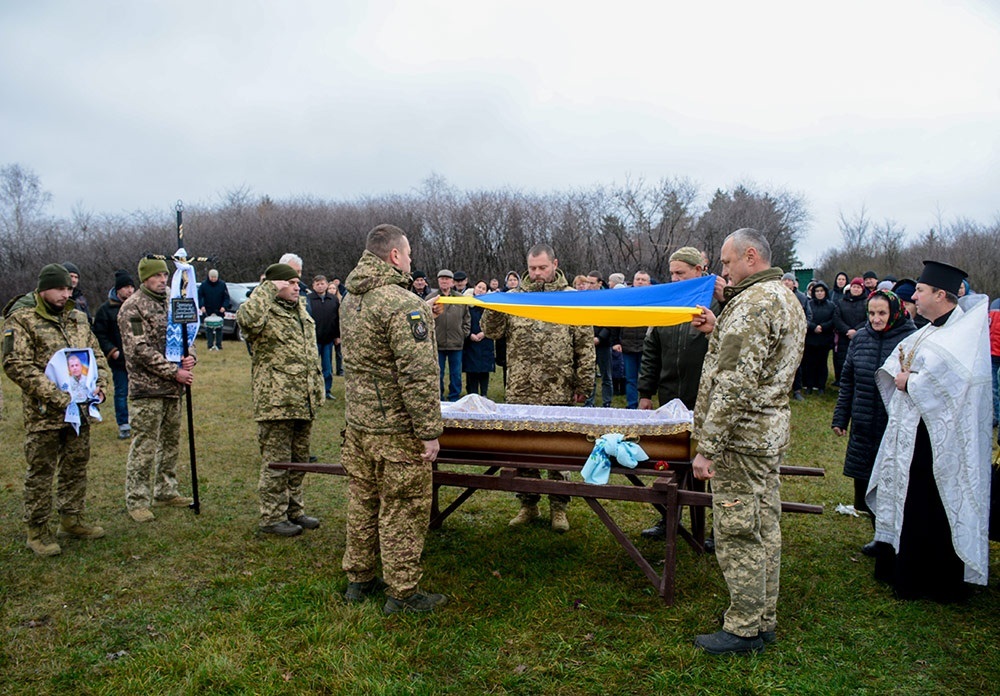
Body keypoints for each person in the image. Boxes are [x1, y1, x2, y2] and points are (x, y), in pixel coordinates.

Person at [691, 228, 806, 655]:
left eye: (726, 262)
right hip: (767, 433)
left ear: (750, 256)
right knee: (764, 526)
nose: (723, 271)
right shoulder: (782, 298)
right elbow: (763, 358)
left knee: (739, 531)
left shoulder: (753, 304)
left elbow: (735, 384)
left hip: (740, 439)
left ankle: (743, 628)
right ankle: (764, 618)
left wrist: (708, 447)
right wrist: (718, 330)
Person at [867, 261, 991, 602]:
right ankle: (899, 565)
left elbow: (959, 384)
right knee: (911, 500)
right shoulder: (929, 328)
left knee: (931, 505)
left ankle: (932, 581)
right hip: (914, 432)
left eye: (920, 291)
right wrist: (901, 376)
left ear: (941, 294)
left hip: (940, 441)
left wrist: (913, 381)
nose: (914, 298)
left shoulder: (965, 334)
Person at [340, 223, 447, 614]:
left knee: (363, 502)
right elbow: (417, 375)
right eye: (409, 253)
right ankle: (402, 592)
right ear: (395, 256)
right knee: (403, 507)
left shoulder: (351, 299)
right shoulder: (402, 304)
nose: (411, 260)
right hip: (397, 431)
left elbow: (375, 353)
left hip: (360, 425)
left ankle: (359, 578)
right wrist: (429, 432)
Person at [482, 243, 595, 532]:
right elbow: (492, 332)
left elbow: (584, 344)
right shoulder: (515, 298)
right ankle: (528, 504)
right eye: (532, 268)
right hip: (522, 388)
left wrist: (583, 382)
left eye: (542, 267)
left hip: (559, 387)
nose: (537, 273)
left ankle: (559, 507)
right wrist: (494, 305)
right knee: (524, 449)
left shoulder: (572, 298)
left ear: (554, 264)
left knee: (558, 450)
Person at [2, 263, 110, 556]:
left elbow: (95, 353)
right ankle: (36, 530)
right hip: (44, 414)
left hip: (80, 412)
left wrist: (100, 384)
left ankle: (70, 519)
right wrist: (60, 397)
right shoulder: (21, 319)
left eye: (69, 289)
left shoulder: (78, 318)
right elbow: (15, 364)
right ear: (42, 289)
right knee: (41, 470)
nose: (66, 294)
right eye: (60, 289)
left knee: (76, 465)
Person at [637, 248, 721, 541]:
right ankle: (668, 518)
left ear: (699, 270)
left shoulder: (717, 304)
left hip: (708, 400)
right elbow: (651, 352)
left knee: (711, 465)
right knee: (671, 463)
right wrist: (645, 392)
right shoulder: (667, 305)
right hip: (671, 397)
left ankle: (716, 528)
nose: (674, 278)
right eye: (671, 272)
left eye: (680, 273)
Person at [237, 263, 325, 537]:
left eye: (298, 283)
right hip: (276, 401)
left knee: (299, 461)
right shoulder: (262, 310)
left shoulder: (300, 310)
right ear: (276, 285)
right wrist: (267, 289)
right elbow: (247, 320)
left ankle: (294, 511)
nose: (298, 287)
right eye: (291, 283)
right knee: (277, 462)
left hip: (303, 398)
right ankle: (271, 516)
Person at [831, 290, 916, 555]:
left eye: (882, 313)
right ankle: (880, 536)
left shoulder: (911, 339)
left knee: (894, 484)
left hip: (894, 425)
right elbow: (848, 381)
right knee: (866, 484)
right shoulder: (861, 338)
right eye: (871, 313)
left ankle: (899, 539)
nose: (876, 319)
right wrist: (841, 417)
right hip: (864, 423)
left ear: (894, 312)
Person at [118, 257, 196, 523]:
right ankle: (138, 499)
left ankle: (166, 490)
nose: (163, 279)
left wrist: (190, 356)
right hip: (147, 389)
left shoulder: (172, 302)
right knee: (145, 446)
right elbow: (139, 350)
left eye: (165, 275)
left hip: (174, 389)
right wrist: (174, 371)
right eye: (157, 276)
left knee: (170, 444)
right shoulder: (133, 307)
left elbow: (187, 334)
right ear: (145, 278)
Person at [93, 270, 136, 439]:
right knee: (121, 392)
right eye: (126, 287)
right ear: (118, 289)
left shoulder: (136, 306)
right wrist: (113, 352)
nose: (130, 290)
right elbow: (100, 334)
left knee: (139, 393)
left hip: (137, 358)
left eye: (132, 287)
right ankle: (124, 425)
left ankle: (138, 422)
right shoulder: (105, 310)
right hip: (119, 360)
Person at [428, 269, 470, 402]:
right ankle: (438, 397)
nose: (444, 281)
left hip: (456, 343)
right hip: (437, 343)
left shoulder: (460, 299)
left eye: (447, 279)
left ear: (452, 282)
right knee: (437, 374)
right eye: (442, 279)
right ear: (438, 281)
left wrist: (463, 334)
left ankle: (454, 397)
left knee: (456, 374)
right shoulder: (431, 298)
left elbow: (467, 319)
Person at [616, 269, 652, 409]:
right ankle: (632, 406)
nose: (640, 282)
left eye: (643, 280)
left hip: (646, 345)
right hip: (628, 344)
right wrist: (616, 341)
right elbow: (616, 320)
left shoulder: (653, 298)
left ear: (648, 283)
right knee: (630, 379)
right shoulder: (626, 297)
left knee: (645, 378)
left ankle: (645, 403)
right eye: (638, 279)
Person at [308, 275, 340, 400]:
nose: (320, 286)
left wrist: (337, 335)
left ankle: (326, 390)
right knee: (313, 367)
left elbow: (337, 319)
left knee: (327, 367)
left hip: (328, 339)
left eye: (322, 284)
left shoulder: (333, 299)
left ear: (327, 285)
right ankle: (314, 390)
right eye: (317, 284)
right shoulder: (308, 299)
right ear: (313, 286)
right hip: (313, 339)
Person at [833, 277, 868, 387]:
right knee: (843, 362)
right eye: (854, 287)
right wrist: (847, 330)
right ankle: (842, 385)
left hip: (861, 338)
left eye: (858, 287)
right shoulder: (841, 302)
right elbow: (836, 318)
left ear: (862, 289)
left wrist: (856, 331)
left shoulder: (867, 303)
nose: (856, 289)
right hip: (844, 337)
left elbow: (868, 319)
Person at [802, 281, 836, 394]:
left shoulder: (831, 305)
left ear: (825, 292)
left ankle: (821, 386)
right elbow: (804, 318)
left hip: (824, 339)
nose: (819, 293)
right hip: (811, 338)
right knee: (809, 363)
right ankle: (809, 385)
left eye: (821, 291)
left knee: (822, 363)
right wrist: (813, 327)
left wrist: (823, 327)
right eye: (817, 291)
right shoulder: (809, 304)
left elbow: (834, 320)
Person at [462, 280, 495, 396]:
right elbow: (462, 321)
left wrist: (484, 333)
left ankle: (484, 394)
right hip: (470, 341)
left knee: (484, 370)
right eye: (479, 287)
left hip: (485, 341)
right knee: (472, 371)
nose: (480, 290)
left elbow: (493, 323)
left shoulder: (489, 306)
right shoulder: (466, 304)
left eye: (483, 288)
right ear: (474, 288)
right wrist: (469, 334)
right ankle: (473, 394)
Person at [197, 268, 231, 351]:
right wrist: (201, 306)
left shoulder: (222, 285)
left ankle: (219, 345)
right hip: (208, 310)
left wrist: (224, 306)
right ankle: (210, 345)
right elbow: (199, 296)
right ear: (209, 277)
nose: (213, 279)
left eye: (215, 277)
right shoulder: (204, 285)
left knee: (219, 328)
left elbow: (226, 297)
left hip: (219, 310)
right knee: (208, 329)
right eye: (212, 277)